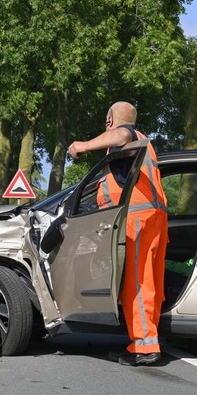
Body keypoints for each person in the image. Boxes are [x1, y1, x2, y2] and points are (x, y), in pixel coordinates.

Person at [68, 101, 168, 366]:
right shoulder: (145, 143)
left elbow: (123, 133)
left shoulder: (127, 137)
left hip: (137, 219)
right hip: (154, 218)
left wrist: (83, 145)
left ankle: (143, 348)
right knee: (151, 284)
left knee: (136, 284)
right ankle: (148, 340)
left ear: (110, 119)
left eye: (107, 118)